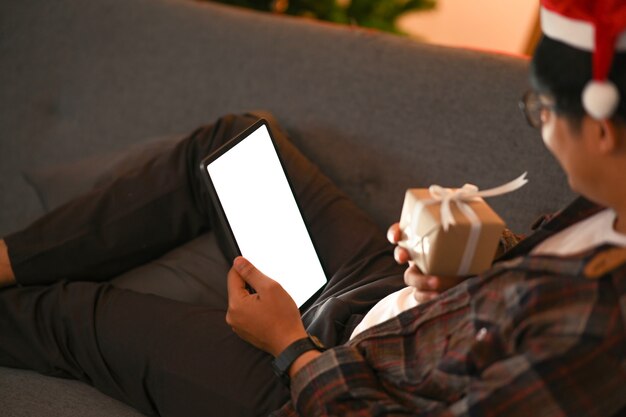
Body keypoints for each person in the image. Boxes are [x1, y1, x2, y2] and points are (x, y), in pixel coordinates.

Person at [1, 1, 626, 416]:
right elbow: (525, 293)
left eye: (542, 113)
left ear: (601, 130)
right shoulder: (605, 213)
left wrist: (289, 346)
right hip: (384, 302)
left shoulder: (598, 333)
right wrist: (467, 261)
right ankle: (7, 256)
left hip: (319, 386)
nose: (541, 131)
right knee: (230, 146)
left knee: (69, 315)